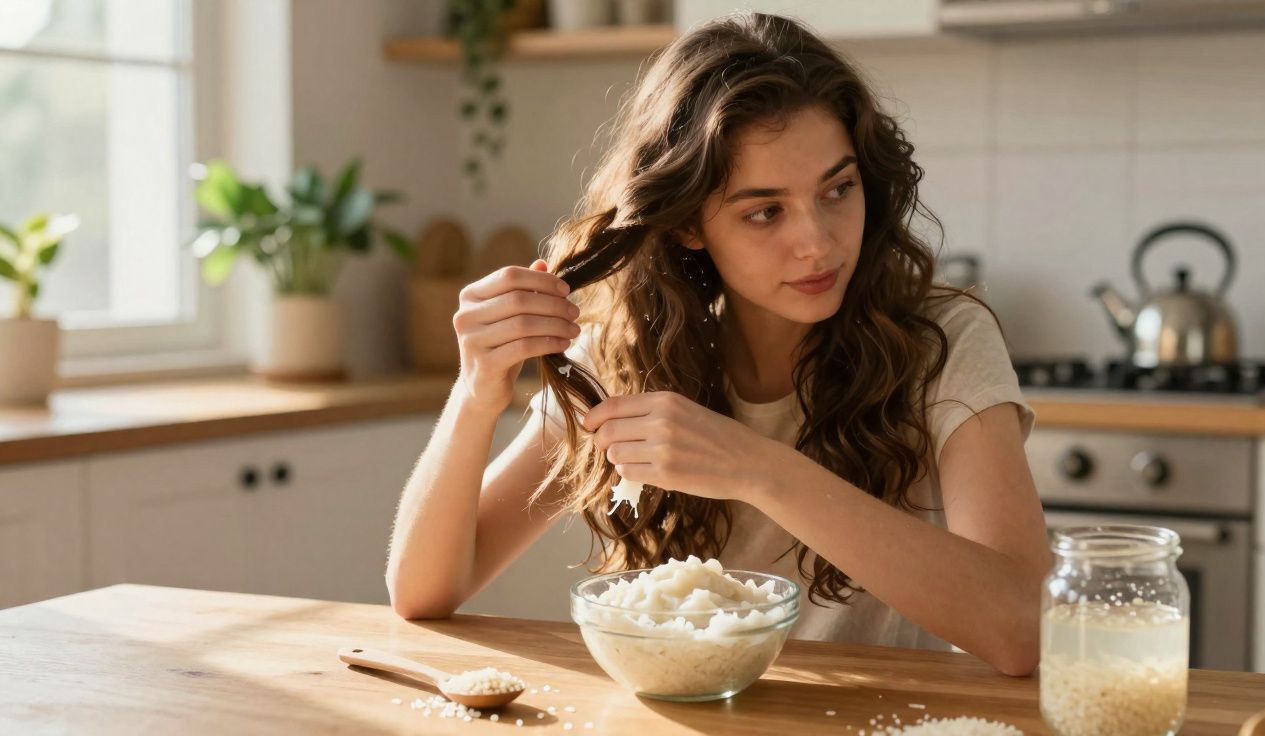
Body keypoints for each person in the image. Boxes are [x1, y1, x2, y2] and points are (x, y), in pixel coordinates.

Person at [386, 12, 1051, 676]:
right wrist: (474, 393)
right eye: (766, 211)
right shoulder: (623, 357)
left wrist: (758, 469)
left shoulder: (943, 341)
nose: (818, 241)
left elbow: (1027, 629)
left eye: (838, 189)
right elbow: (423, 592)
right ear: (688, 226)